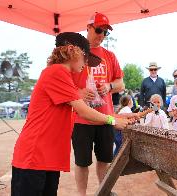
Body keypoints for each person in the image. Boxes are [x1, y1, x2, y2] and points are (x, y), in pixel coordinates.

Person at [11, 32, 129, 196]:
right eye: (85, 57)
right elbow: (83, 110)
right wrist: (111, 120)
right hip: (34, 158)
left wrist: (119, 117)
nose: (86, 63)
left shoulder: (62, 74)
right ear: (72, 50)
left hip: (46, 158)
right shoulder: (57, 71)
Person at [71, 12, 126, 195]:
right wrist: (78, 92)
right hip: (81, 119)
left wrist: (109, 86)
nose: (101, 35)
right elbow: (63, 83)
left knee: (104, 160)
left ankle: (103, 192)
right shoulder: (75, 53)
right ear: (88, 28)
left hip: (105, 118)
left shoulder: (109, 55)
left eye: (105, 32)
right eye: (99, 30)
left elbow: (121, 83)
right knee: (82, 162)